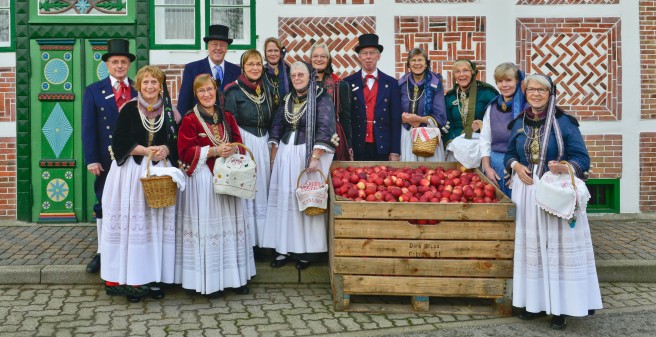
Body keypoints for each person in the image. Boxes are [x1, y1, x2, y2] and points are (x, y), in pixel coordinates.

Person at [504, 74, 602, 330]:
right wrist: (515, 165)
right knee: (533, 249)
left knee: (556, 250)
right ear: (525, 93)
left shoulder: (564, 122)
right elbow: (510, 153)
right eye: (531, 90)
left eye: (541, 90)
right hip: (526, 192)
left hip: (554, 192)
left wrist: (563, 166)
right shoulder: (519, 122)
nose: (535, 94)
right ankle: (534, 304)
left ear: (551, 93)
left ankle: (561, 308)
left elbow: (582, 159)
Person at [101, 65, 180, 302]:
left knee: (155, 228)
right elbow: (120, 140)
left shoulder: (170, 112)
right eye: (145, 82)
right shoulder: (128, 109)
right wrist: (146, 150)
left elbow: (174, 140)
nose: (149, 87)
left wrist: (165, 149)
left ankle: (154, 277)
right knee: (133, 228)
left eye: (154, 82)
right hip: (131, 175)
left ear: (161, 85)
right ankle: (131, 279)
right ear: (139, 85)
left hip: (158, 176)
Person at [176, 74, 255, 298]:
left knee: (229, 230)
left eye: (210, 89)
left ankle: (234, 279)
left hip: (229, 179)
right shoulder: (190, 120)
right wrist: (212, 151)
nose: (207, 94)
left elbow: (239, 142)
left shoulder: (227, 116)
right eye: (201, 91)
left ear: (216, 91)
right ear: (196, 94)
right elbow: (184, 151)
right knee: (210, 230)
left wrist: (233, 149)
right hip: (204, 181)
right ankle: (209, 282)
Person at [262, 61, 337, 270]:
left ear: (309, 75)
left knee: (307, 201)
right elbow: (277, 125)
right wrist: (273, 155)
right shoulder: (287, 99)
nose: (296, 78)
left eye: (300, 74)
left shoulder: (321, 98)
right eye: (293, 75)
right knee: (286, 202)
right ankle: (283, 248)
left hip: (308, 156)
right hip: (286, 155)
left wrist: (315, 157)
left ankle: (307, 252)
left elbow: (326, 126)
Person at [82, 39, 137, 274]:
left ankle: (128, 249)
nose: (119, 66)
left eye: (123, 62)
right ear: (107, 64)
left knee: (131, 204)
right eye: (115, 61)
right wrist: (91, 158)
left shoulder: (138, 89)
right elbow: (88, 127)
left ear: (129, 65)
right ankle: (102, 251)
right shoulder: (94, 90)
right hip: (106, 159)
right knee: (104, 204)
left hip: (134, 158)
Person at [224, 50, 273, 252]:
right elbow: (229, 122)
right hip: (245, 141)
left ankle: (264, 241)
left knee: (263, 189)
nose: (255, 68)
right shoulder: (232, 91)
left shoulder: (266, 89)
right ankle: (247, 243)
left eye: (258, 64)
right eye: (250, 64)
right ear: (243, 67)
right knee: (247, 190)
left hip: (264, 142)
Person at [344, 33, 401, 161]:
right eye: (364, 53)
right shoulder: (347, 83)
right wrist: (348, 146)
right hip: (358, 146)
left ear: (378, 56)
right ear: (359, 56)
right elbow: (345, 119)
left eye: (372, 53)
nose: (368, 57)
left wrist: (395, 151)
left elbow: (395, 119)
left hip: (383, 145)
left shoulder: (391, 83)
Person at [480, 63, 526, 197]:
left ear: (517, 81)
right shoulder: (492, 107)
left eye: (508, 80)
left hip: (521, 166)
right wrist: (487, 168)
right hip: (495, 166)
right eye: (500, 81)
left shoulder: (527, 106)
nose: (504, 85)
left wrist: (517, 169)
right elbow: (485, 140)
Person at [177, 24, 241, 115]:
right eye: (214, 44)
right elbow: (183, 105)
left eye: (222, 45)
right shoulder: (192, 69)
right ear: (208, 46)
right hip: (200, 126)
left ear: (227, 48)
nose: (218, 48)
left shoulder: (236, 71)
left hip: (229, 126)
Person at [398, 48, 447, 162]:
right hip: (406, 134)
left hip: (428, 135)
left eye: (420, 60)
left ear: (426, 64)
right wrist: (402, 118)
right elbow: (394, 109)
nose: (417, 63)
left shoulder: (435, 84)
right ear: (408, 64)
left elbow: (440, 115)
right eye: (413, 60)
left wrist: (419, 119)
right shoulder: (401, 83)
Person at [443, 59, 498, 159]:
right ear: (454, 75)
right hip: (456, 146)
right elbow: (447, 122)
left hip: (480, 145)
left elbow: (498, 117)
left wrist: (482, 124)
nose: (461, 74)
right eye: (457, 71)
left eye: (465, 70)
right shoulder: (450, 96)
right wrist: (451, 143)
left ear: (472, 72)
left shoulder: (487, 92)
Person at [310, 42, 352, 161]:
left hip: (333, 137)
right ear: (311, 59)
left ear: (328, 59)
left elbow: (346, 119)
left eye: (323, 56)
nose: (319, 59)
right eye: (315, 56)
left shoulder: (340, 85)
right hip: (307, 135)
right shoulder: (303, 84)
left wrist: (349, 145)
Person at [262, 37, 291, 114]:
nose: (273, 54)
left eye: (276, 50)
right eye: (269, 51)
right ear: (265, 53)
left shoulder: (289, 72)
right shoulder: (261, 72)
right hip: (266, 117)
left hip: (286, 116)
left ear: (280, 52)